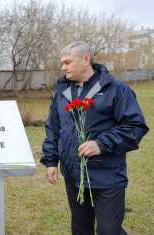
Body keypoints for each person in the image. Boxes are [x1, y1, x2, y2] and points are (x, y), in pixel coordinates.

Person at [40, 41, 149, 235]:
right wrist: (51, 161)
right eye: (62, 63)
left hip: (107, 176)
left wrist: (102, 144)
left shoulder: (116, 90)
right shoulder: (61, 94)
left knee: (109, 231)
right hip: (74, 176)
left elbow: (135, 126)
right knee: (81, 229)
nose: (63, 68)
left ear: (86, 59)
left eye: (67, 62)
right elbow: (53, 129)